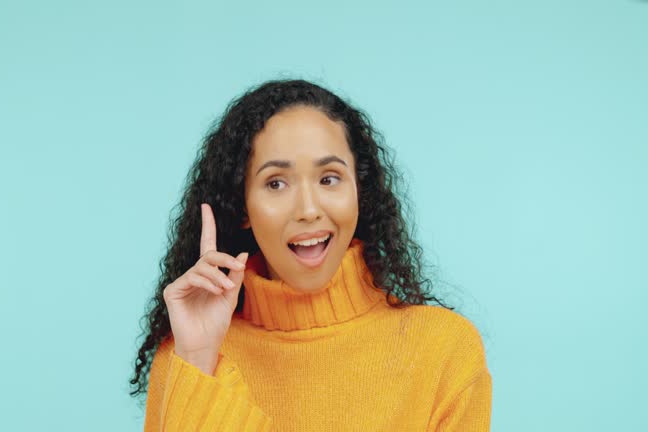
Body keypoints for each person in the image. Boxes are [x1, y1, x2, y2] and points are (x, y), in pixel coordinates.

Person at [129, 79, 492, 431]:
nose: (308, 209)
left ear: (359, 191)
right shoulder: (188, 354)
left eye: (329, 179)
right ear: (242, 207)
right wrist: (199, 359)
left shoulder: (445, 351)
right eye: (276, 183)